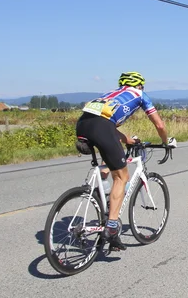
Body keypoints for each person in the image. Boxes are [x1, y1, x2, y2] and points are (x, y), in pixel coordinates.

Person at [76, 71, 176, 250]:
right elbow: (159, 125)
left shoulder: (110, 95)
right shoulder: (139, 95)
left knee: (109, 163)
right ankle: (112, 227)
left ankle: (102, 197)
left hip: (82, 125)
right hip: (102, 128)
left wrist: (127, 139)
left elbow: (107, 124)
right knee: (122, 177)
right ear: (139, 85)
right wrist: (165, 142)